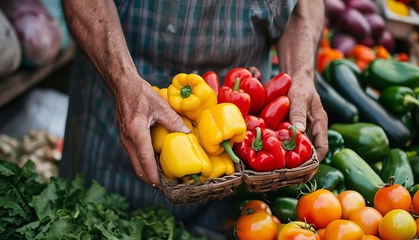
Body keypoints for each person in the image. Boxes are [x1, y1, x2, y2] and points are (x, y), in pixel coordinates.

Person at [60, 0, 328, 236]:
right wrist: (121, 80)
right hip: (118, 117)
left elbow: (303, 4)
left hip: (240, 162)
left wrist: (300, 74)